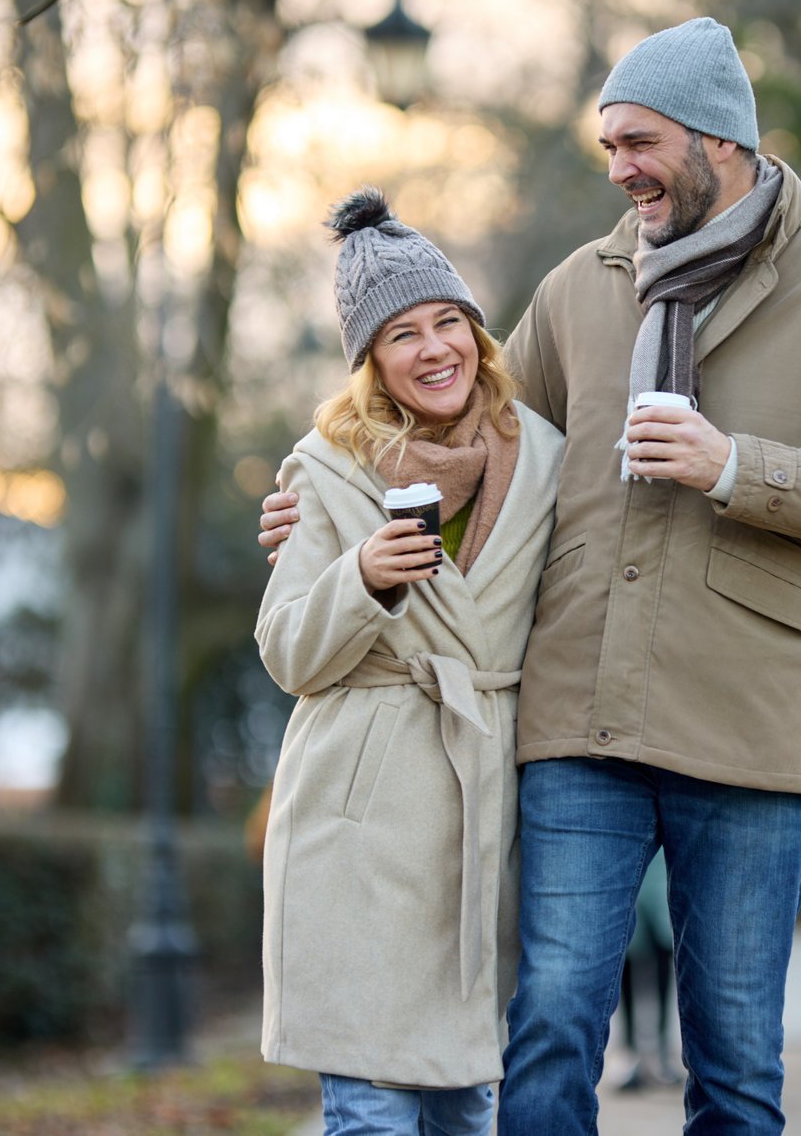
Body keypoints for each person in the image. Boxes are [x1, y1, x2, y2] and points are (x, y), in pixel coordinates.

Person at [260, 16, 801, 1133]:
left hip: (750, 722)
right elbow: (471, 427)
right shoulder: (582, 286)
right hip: (579, 719)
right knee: (550, 1026)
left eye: (637, 142)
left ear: (718, 139)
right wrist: (319, 499)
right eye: (607, 146)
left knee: (735, 1059)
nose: (617, 168)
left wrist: (733, 466)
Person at [253, 189, 565, 1135]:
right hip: (359, 821)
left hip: (482, 811)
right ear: (372, 364)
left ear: (477, 333)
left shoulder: (544, 459)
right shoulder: (327, 466)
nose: (435, 350)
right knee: (371, 1114)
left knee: (465, 1111)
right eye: (403, 335)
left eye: (448, 322)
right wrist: (362, 578)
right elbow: (286, 650)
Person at [615, 849, 680, 1091]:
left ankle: (661, 1052)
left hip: (662, 878)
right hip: (630, 878)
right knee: (625, 965)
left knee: (664, 963)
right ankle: (629, 1052)